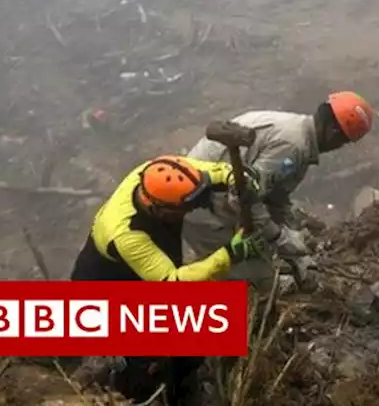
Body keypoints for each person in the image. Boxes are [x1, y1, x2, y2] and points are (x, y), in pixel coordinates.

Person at [70, 155, 263, 405]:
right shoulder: (127, 234)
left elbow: (206, 173)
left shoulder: (158, 173)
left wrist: (234, 178)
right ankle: (138, 393)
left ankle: (185, 387)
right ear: (159, 209)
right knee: (145, 358)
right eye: (185, 207)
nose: (191, 209)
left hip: (154, 261)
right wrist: (229, 254)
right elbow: (173, 282)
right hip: (112, 281)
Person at [182, 92, 374, 293]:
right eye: (342, 142)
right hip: (201, 207)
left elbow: (275, 196)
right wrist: (279, 237)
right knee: (261, 284)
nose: (338, 147)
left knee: (262, 254)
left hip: (215, 198)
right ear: (333, 132)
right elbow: (242, 197)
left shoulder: (298, 131)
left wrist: (293, 243)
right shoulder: (293, 147)